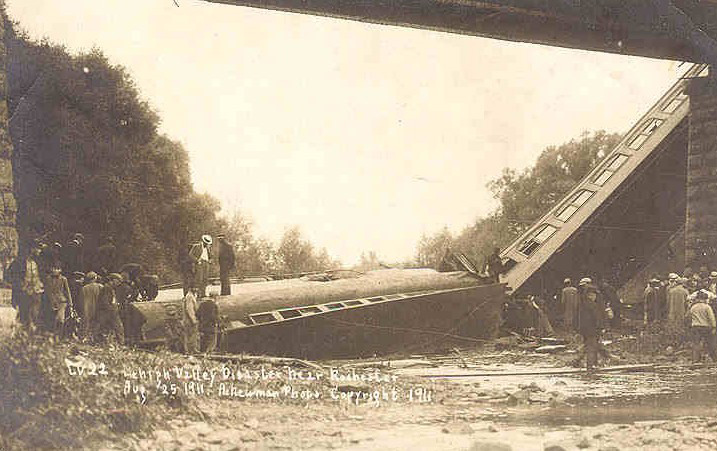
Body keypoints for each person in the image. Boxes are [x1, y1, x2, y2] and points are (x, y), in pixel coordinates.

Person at [577, 283, 604, 370]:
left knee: (592, 347)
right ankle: (590, 367)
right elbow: (597, 318)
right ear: (590, 295)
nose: (595, 296)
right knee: (591, 348)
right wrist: (601, 328)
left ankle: (593, 365)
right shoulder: (592, 305)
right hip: (592, 330)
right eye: (594, 294)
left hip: (585, 330)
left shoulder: (582, 304)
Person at [685, 291, 717, 363]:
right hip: (706, 327)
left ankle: (696, 360)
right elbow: (711, 318)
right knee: (710, 343)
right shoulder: (707, 307)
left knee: (696, 343)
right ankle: (714, 358)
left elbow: (687, 317)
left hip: (695, 327)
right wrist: (714, 327)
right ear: (704, 299)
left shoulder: (693, 307)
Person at [44, 267, 73, 339]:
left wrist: (70, 303)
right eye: (53, 268)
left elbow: (67, 291)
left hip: (61, 301)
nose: (55, 270)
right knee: (53, 319)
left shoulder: (63, 279)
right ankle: (53, 336)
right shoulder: (48, 278)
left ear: (60, 270)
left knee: (60, 319)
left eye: (57, 269)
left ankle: (59, 336)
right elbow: (47, 290)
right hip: (52, 301)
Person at [96, 273, 125, 345]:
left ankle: (117, 343)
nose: (119, 283)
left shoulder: (111, 288)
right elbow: (104, 301)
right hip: (107, 312)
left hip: (111, 312)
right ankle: (119, 343)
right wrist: (111, 309)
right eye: (118, 281)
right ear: (113, 280)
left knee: (115, 328)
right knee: (117, 328)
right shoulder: (107, 288)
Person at [81, 271, 102, 340]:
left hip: (87, 306)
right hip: (97, 305)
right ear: (95, 278)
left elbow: (82, 298)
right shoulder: (100, 286)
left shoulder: (84, 288)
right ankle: (95, 337)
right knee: (96, 322)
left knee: (87, 322)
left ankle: (85, 336)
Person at [182, 288, 199, 354]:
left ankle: (189, 350)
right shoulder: (189, 297)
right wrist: (193, 319)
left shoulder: (191, 296)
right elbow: (189, 309)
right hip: (189, 320)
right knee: (191, 334)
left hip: (187, 319)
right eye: (195, 288)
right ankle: (191, 350)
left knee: (188, 335)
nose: (197, 289)